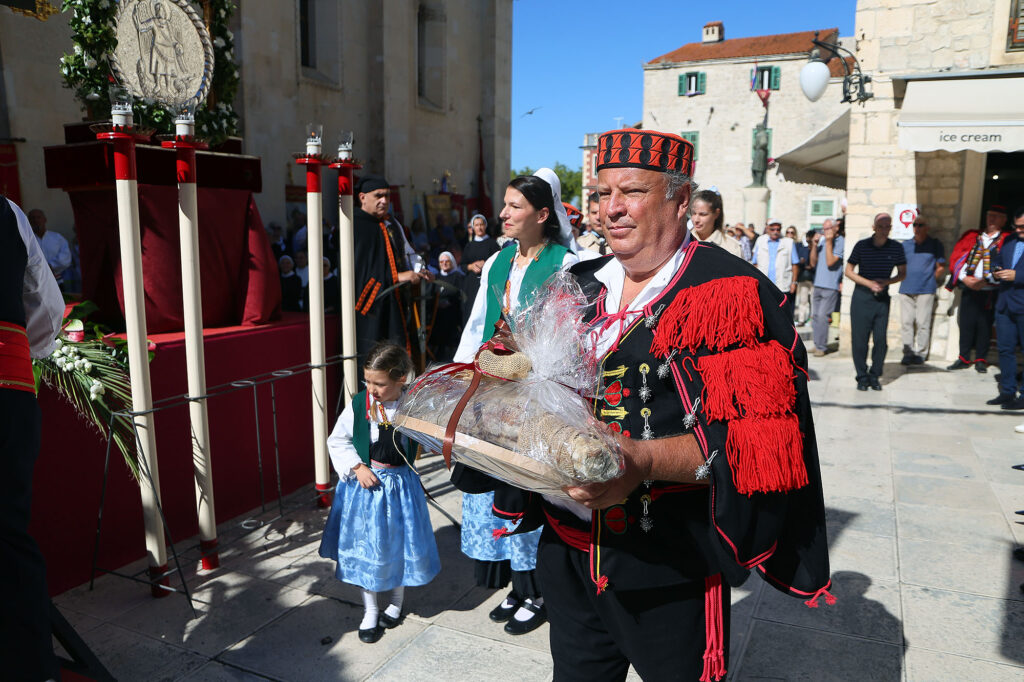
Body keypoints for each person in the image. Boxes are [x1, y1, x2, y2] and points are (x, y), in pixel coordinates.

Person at [489, 129, 830, 680]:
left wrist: (642, 461)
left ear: (680, 199)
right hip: (566, 551)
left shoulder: (730, 292)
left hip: (668, 565)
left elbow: (759, 446)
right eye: (602, 194)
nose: (611, 209)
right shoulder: (576, 283)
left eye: (632, 192)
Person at [452, 168, 579, 636]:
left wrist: (532, 369)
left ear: (543, 215)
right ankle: (516, 585)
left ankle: (538, 590)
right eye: (504, 205)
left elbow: (572, 337)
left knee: (527, 489)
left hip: (537, 393)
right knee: (496, 485)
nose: (503, 214)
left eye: (514, 206)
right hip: (492, 387)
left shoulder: (566, 264)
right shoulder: (497, 261)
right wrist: (463, 375)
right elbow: (477, 323)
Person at [318, 343, 441, 644]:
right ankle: (370, 610)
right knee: (369, 551)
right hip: (367, 490)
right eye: (368, 381)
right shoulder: (360, 405)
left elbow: (431, 438)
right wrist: (357, 467)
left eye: (380, 383)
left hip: (402, 488)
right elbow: (338, 440)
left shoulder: (413, 405)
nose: (372, 389)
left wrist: (436, 441)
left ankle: (396, 603)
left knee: (399, 546)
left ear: (401, 379)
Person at [1, 196, 64, 680]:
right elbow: (46, 306)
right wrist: (31, 350)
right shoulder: (7, 213)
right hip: (7, 388)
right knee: (7, 532)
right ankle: (32, 668)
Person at [353, 175, 429, 365]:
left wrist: (420, 270)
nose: (384, 201)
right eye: (378, 196)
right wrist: (396, 276)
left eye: (387, 196)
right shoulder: (355, 225)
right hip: (371, 304)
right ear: (362, 197)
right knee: (373, 354)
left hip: (396, 299)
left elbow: (407, 252)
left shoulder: (391, 223)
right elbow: (359, 270)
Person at [845, 213, 907, 391]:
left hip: (882, 299)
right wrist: (869, 284)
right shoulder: (862, 245)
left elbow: (902, 273)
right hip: (862, 296)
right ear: (874, 227)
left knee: (880, 339)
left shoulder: (896, 248)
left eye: (887, 226)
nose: (884, 230)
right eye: (881, 226)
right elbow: (849, 271)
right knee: (860, 340)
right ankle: (862, 376)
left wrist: (886, 282)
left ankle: (875, 375)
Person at [946, 205, 1010, 372]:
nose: (992, 219)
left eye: (996, 216)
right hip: (969, 287)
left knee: (985, 325)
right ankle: (963, 358)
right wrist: (964, 278)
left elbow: (1008, 264)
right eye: (990, 215)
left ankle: (981, 359)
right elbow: (957, 258)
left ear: (1004, 220)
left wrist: (986, 280)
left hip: (991, 290)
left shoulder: (1007, 239)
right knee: (966, 323)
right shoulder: (972, 236)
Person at [988, 206, 1024, 410]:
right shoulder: (1009, 240)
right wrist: (996, 270)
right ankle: (1008, 391)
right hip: (1004, 304)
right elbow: (998, 260)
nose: (1018, 230)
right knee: (1005, 349)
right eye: (1016, 226)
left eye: (1022, 227)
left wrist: (1017, 276)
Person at [898, 215, 946, 365]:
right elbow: (899, 264)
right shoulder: (905, 245)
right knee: (906, 322)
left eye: (920, 225)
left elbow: (941, 267)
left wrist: (930, 279)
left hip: (926, 289)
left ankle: (921, 353)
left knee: (922, 323)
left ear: (927, 228)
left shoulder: (935, 244)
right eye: (915, 225)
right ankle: (908, 352)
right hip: (906, 288)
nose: (917, 228)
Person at [808, 218, 844, 356]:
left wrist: (829, 241)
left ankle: (822, 347)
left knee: (823, 317)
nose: (825, 231)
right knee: (815, 317)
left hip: (830, 286)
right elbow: (813, 263)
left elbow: (830, 262)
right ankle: (817, 343)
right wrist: (814, 245)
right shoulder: (823, 241)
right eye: (824, 229)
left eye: (828, 228)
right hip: (818, 283)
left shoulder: (840, 242)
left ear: (836, 228)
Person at [752, 220, 800, 320]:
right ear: (767, 229)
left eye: (778, 229)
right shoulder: (760, 241)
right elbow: (755, 263)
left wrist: (794, 282)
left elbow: (795, 264)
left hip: (782, 284)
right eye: (772, 229)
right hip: (764, 284)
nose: (775, 232)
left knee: (782, 314)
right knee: (765, 313)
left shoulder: (788, 242)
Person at [459, 213, 501, 325]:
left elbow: (499, 262)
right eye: (476, 225)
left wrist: (486, 263)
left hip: (487, 282)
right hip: (471, 284)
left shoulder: (492, 244)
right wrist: (471, 266)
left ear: (485, 226)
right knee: (471, 310)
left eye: (481, 224)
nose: (479, 227)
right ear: (473, 227)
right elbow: (462, 265)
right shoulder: (469, 245)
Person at [428, 251, 465, 362]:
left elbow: (461, 295)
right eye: (441, 262)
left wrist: (450, 302)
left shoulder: (458, 277)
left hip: (452, 310)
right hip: (436, 312)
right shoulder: (436, 277)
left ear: (452, 262)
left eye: (447, 261)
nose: (444, 263)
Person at [689, 189, 743, 259]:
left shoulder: (732, 248)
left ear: (716, 213)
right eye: (693, 213)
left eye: (703, 214)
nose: (696, 220)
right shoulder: (682, 242)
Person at [28, 209, 71, 292]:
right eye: (32, 218)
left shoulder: (57, 238)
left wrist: (51, 265)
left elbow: (66, 257)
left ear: (45, 219)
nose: (36, 220)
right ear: (29, 221)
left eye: (38, 217)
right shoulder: (27, 240)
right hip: (35, 284)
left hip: (57, 282)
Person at [794, 228, 815, 326]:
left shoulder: (817, 248)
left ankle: (812, 319)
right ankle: (801, 319)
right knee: (803, 300)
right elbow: (799, 261)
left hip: (814, 279)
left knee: (813, 301)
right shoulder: (802, 248)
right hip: (803, 278)